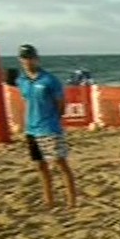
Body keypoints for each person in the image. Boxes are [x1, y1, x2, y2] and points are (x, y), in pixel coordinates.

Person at [16, 44, 77, 209]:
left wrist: (53, 120)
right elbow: (26, 101)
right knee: (40, 166)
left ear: (37, 59)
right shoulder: (22, 81)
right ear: (21, 60)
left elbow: (61, 104)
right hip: (31, 129)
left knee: (60, 163)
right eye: (24, 58)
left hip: (49, 128)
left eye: (30, 58)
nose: (28, 61)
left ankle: (72, 201)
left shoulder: (49, 80)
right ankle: (49, 200)